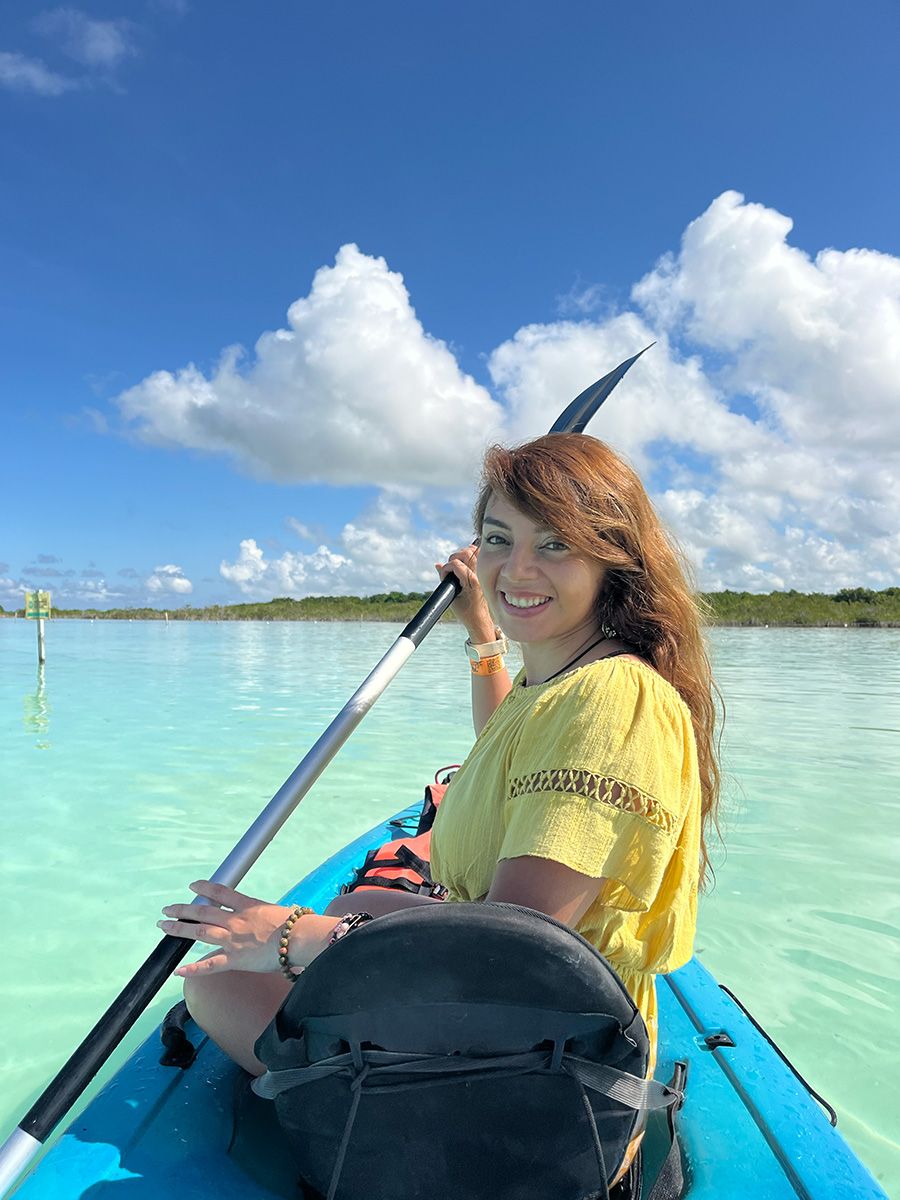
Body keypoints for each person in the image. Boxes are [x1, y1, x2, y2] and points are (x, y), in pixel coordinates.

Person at [158, 432, 721, 1199]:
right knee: (361, 899)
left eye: (554, 544)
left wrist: (293, 937)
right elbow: (503, 751)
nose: (518, 567)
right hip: (532, 1032)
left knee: (217, 984)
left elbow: (511, 962)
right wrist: (483, 632)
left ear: (611, 557)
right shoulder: (564, 679)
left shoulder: (612, 700)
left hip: (538, 1069)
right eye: (499, 538)